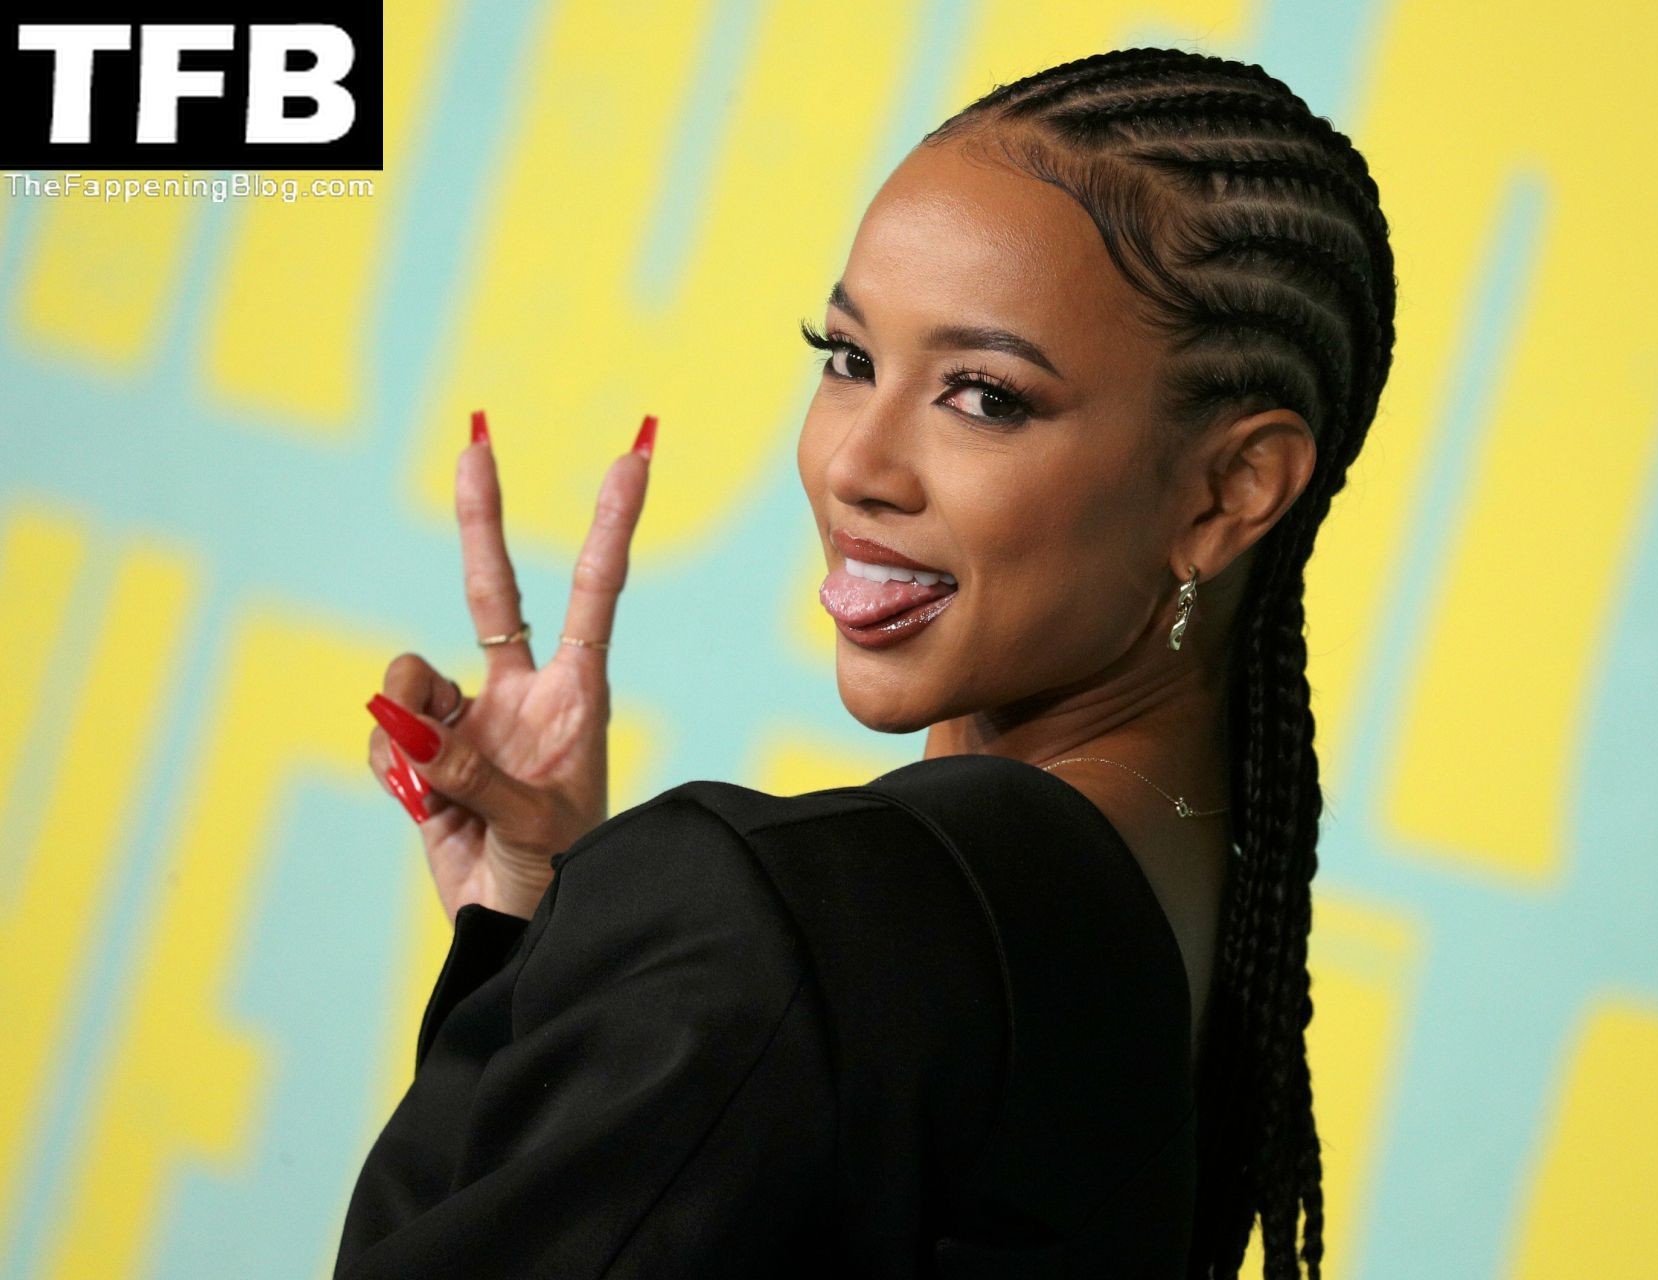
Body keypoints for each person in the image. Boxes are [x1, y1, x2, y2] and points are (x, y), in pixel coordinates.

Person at [334, 45, 1395, 1280]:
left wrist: (606, 964)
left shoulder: (778, 919)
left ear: (1232, 489)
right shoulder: (1178, 898)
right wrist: (546, 931)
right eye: (847, 357)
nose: (854, 465)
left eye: (985, 395)